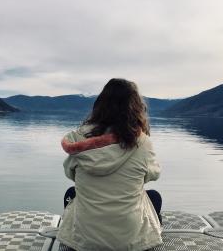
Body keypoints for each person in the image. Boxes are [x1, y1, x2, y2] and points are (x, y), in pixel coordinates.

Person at [56, 78, 163, 251]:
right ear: (136, 108)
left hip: (85, 240)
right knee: (154, 197)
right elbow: (154, 174)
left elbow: (70, 174)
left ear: (100, 106)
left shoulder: (78, 140)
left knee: (71, 193)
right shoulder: (143, 143)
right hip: (129, 240)